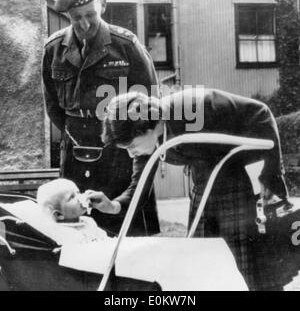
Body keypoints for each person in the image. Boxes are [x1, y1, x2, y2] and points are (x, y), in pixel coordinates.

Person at [98, 88, 291, 290]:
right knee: (202, 264)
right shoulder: (147, 141)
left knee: (246, 264)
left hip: (235, 182)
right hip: (203, 185)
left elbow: (261, 111)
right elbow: (139, 186)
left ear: (146, 128)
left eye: (131, 146)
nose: (131, 154)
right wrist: (113, 206)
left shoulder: (196, 106)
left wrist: (271, 174)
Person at [42, 0, 160, 237]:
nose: (83, 25)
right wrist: (79, 133)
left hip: (119, 154)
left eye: (90, 15)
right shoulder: (53, 50)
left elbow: (152, 106)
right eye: (76, 18)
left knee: (126, 236)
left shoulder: (126, 46)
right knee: (78, 234)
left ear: (102, 6)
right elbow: (53, 106)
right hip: (76, 153)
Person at [36, 178, 107, 243]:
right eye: (72, 197)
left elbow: (104, 238)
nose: (80, 197)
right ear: (59, 215)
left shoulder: (88, 221)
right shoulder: (63, 233)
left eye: (78, 193)